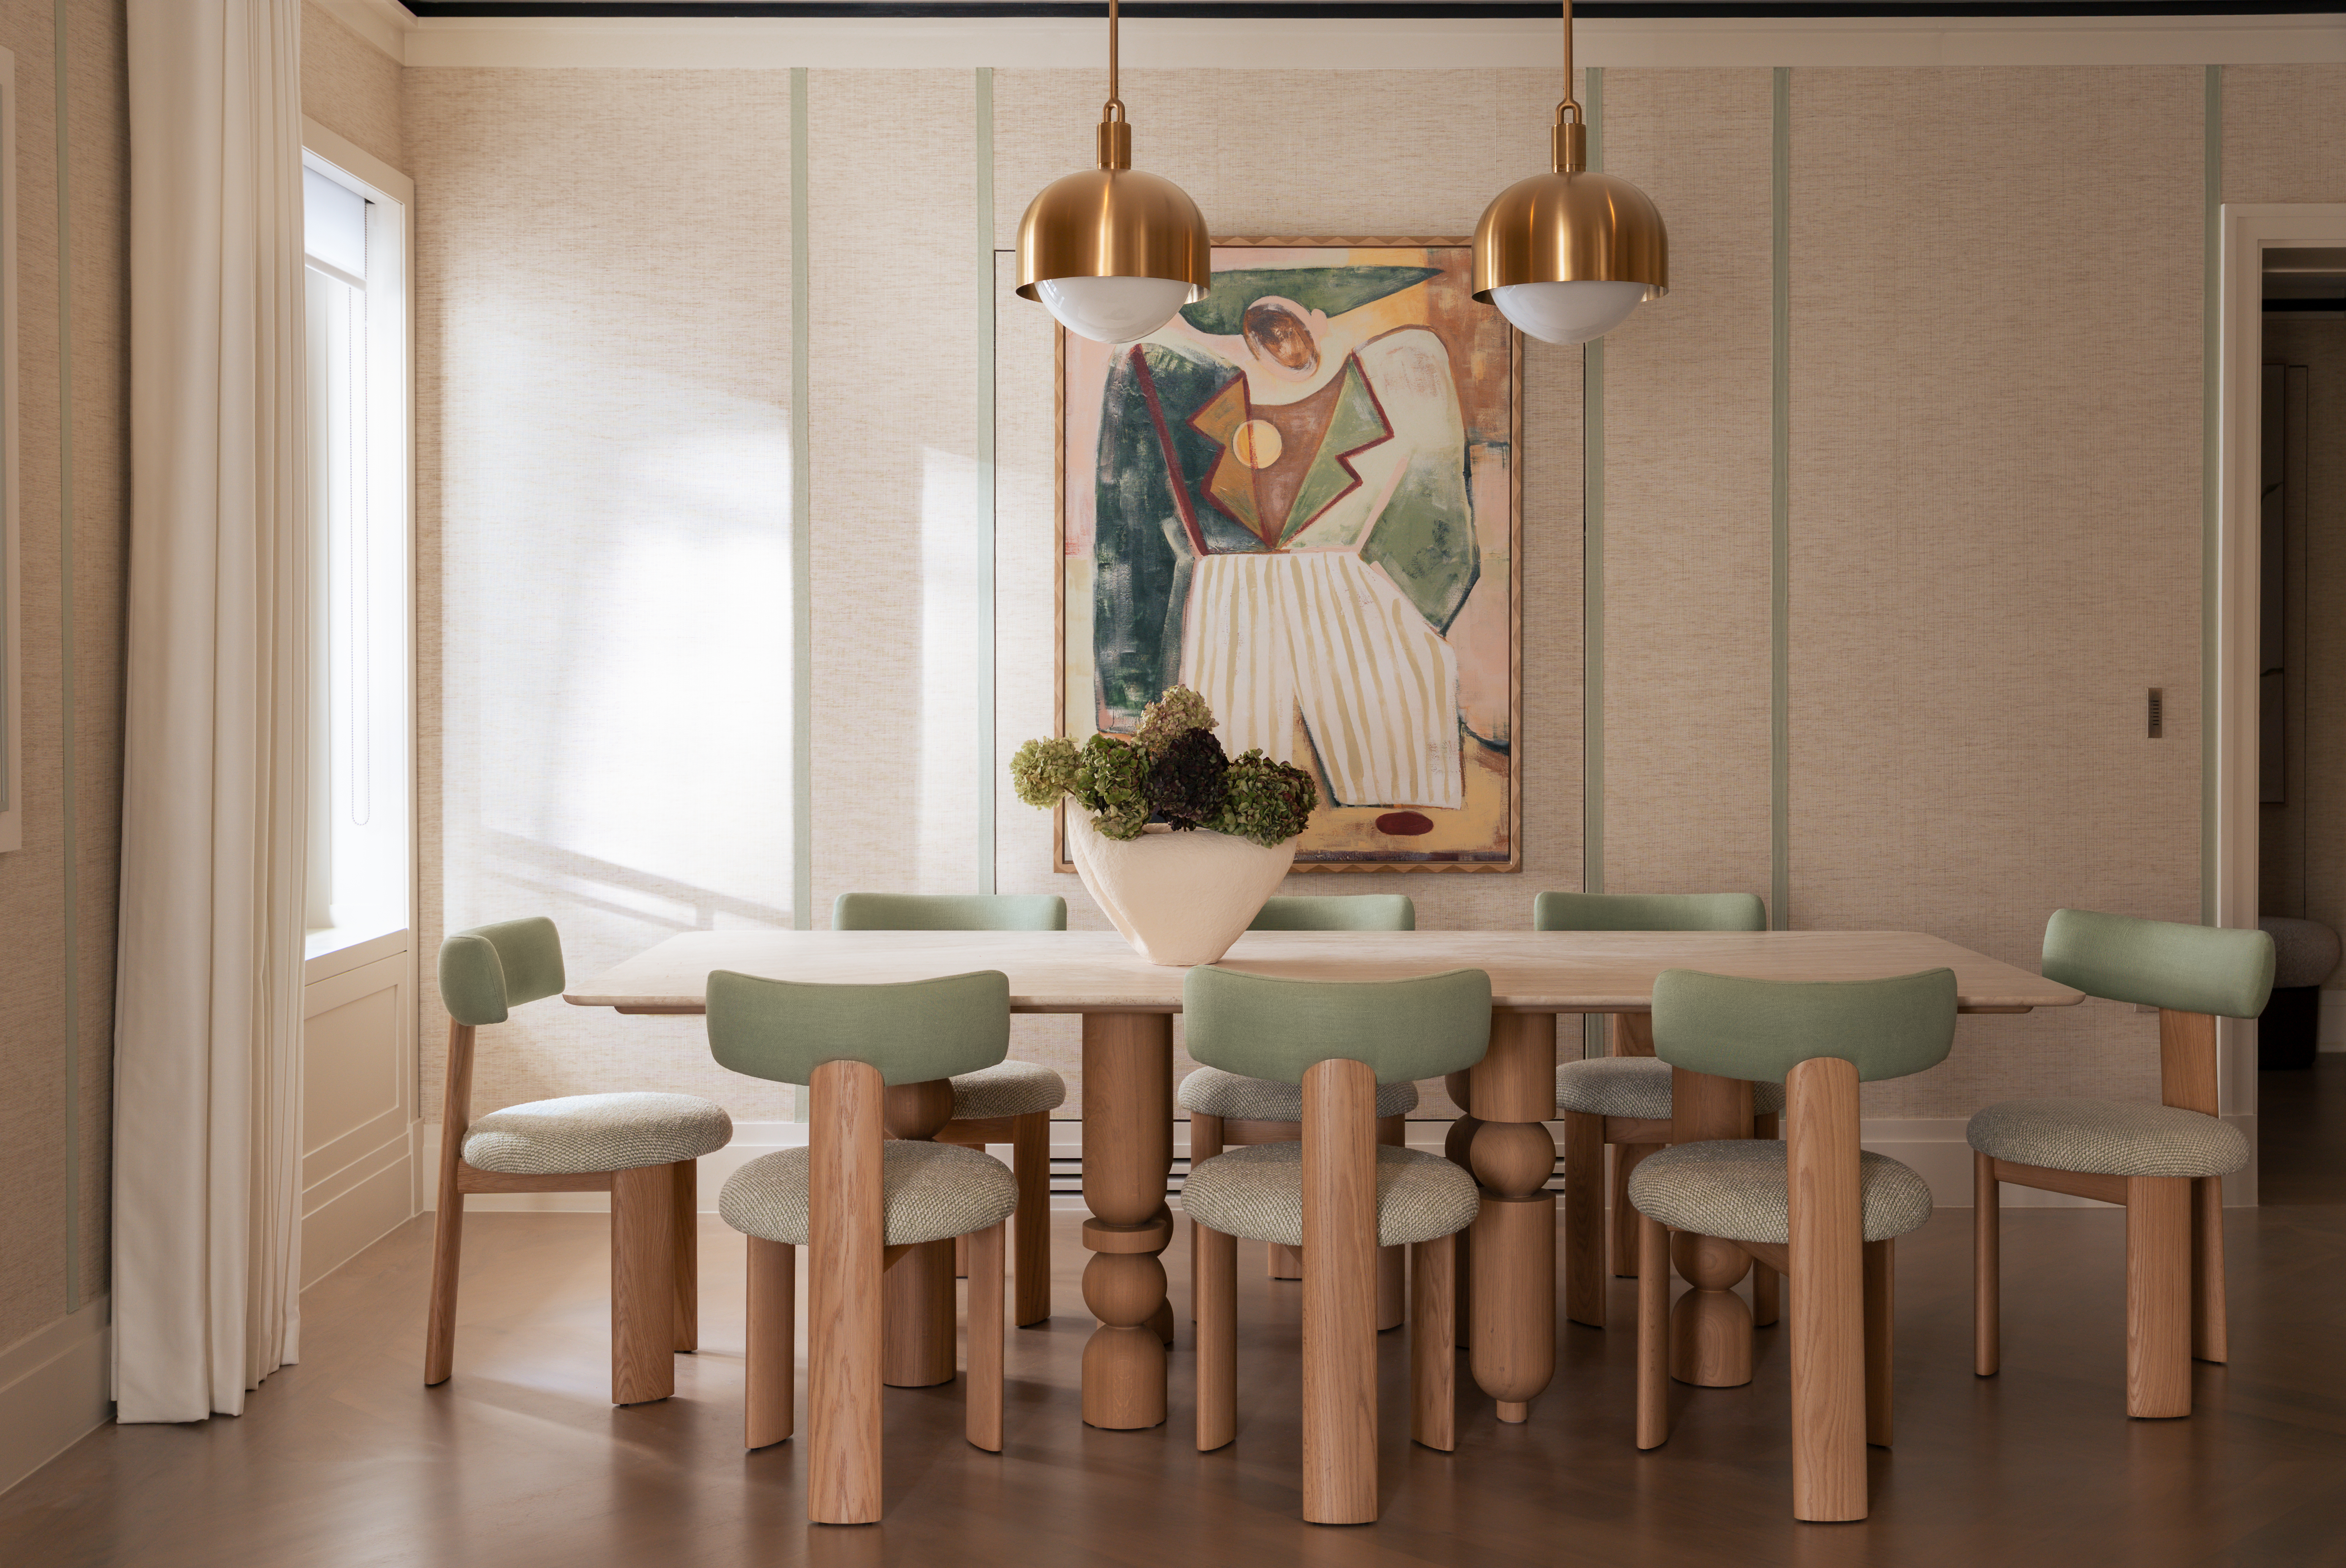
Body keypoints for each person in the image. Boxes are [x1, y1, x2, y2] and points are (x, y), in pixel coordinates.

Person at [1090, 265, 1477, 810]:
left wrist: (1408, 616)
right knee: (1224, 815)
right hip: (1222, 606)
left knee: (1397, 796)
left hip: (1357, 600)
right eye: (1262, 333)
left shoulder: (1406, 364)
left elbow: (1441, 534)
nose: (1274, 350)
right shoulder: (1156, 372)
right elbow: (1129, 546)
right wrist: (1128, 702)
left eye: (1285, 329)